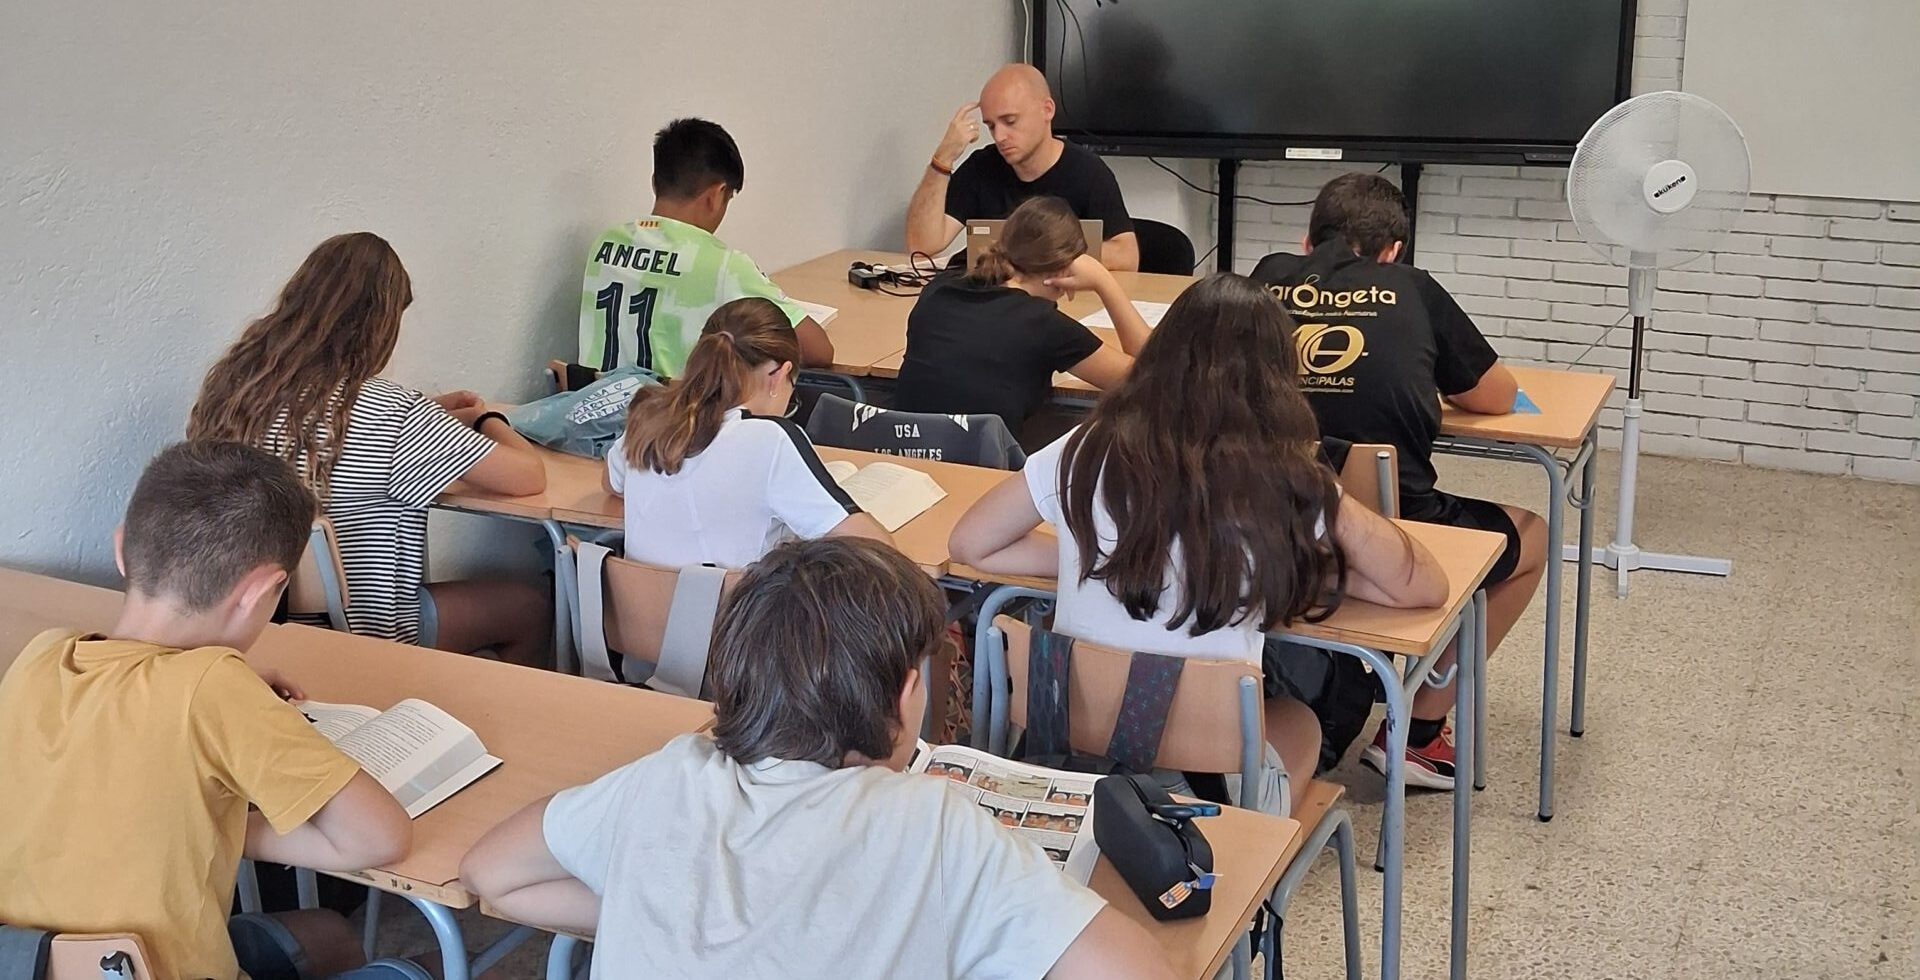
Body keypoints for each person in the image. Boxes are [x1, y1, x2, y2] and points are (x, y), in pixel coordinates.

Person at [461, 537, 1176, 980]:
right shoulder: (934, 824)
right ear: (907, 696)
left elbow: (492, 873)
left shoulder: (670, 774)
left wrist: (664, 911)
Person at [948, 274, 1449, 815]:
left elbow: (972, 544)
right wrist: (1325, 491)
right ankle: (1249, 850)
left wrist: (1095, 557)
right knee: (1300, 720)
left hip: (1074, 759)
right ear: (1279, 379)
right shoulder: (1285, 477)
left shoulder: (1087, 446)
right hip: (1202, 795)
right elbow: (1423, 587)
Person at [0, 441, 419, 980]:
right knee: (420, 969)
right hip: (156, 970)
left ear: (123, 550)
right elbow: (381, 837)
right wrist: (223, 825)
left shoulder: (42, 654)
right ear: (262, 591)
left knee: (326, 934)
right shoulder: (215, 688)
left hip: (31, 963)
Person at [1250, 172, 1548, 789]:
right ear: (1393, 252)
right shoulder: (1414, 286)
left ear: (1306, 243)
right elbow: (1496, 396)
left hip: (1261, 522)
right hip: (1390, 534)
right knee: (1534, 534)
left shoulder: (1265, 275)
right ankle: (1416, 734)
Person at [189, 232, 552, 666]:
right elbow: (528, 477)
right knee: (530, 608)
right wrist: (486, 419)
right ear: (380, 327)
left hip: (256, 624)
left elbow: (325, 421)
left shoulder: (235, 392)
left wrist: (432, 413)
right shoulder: (396, 415)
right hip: (369, 632)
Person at [608, 297, 891, 569]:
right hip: (733, 604)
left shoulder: (649, 417)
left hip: (636, 603)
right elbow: (875, 549)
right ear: (778, 375)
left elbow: (612, 484)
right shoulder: (771, 439)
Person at [579, 117, 833, 377]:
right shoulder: (723, 266)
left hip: (594, 399)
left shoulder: (605, 243)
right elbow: (819, 351)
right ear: (716, 195)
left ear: (655, 183)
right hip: (673, 403)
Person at [895, 196, 1150, 445]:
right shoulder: (1045, 325)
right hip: (979, 465)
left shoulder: (938, 289)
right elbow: (1150, 380)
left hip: (901, 455)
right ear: (1066, 267)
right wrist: (1104, 282)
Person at [907, 64, 1138, 271]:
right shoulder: (981, 167)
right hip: (995, 298)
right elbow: (921, 245)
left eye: (1010, 121)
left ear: (1047, 110)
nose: (999, 136)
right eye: (991, 126)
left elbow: (1126, 256)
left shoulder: (1088, 171)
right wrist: (943, 157)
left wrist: (1041, 254)